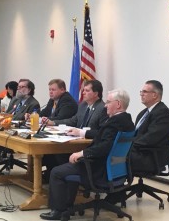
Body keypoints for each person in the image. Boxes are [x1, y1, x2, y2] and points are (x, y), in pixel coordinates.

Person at [39, 88, 135, 220]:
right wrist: (82, 134)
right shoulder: (126, 121)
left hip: (98, 170)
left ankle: (59, 211)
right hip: (115, 170)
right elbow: (104, 137)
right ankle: (67, 206)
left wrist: (83, 153)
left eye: (108, 102)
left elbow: (104, 147)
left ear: (118, 104)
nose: (105, 105)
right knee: (69, 165)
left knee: (57, 172)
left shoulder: (114, 122)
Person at [41, 80, 108, 180]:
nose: (83, 92)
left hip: (88, 145)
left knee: (58, 153)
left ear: (96, 93)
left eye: (87, 90)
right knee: (51, 149)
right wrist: (54, 123)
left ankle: (66, 179)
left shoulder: (102, 108)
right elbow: (73, 121)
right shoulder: (83, 105)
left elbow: (102, 133)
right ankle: (53, 177)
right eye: (83, 90)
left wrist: (80, 132)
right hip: (75, 140)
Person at [131, 80, 169, 172]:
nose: (141, 94)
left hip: (150, 156)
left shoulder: (164, 113)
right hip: (139, 151)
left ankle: (110, 185)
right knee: (110, 154)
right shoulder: (143, 113)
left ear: (155, 95)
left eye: (145, 92)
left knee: (113, 158)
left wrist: (127, 145)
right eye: (141, 91)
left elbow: (149, 139)